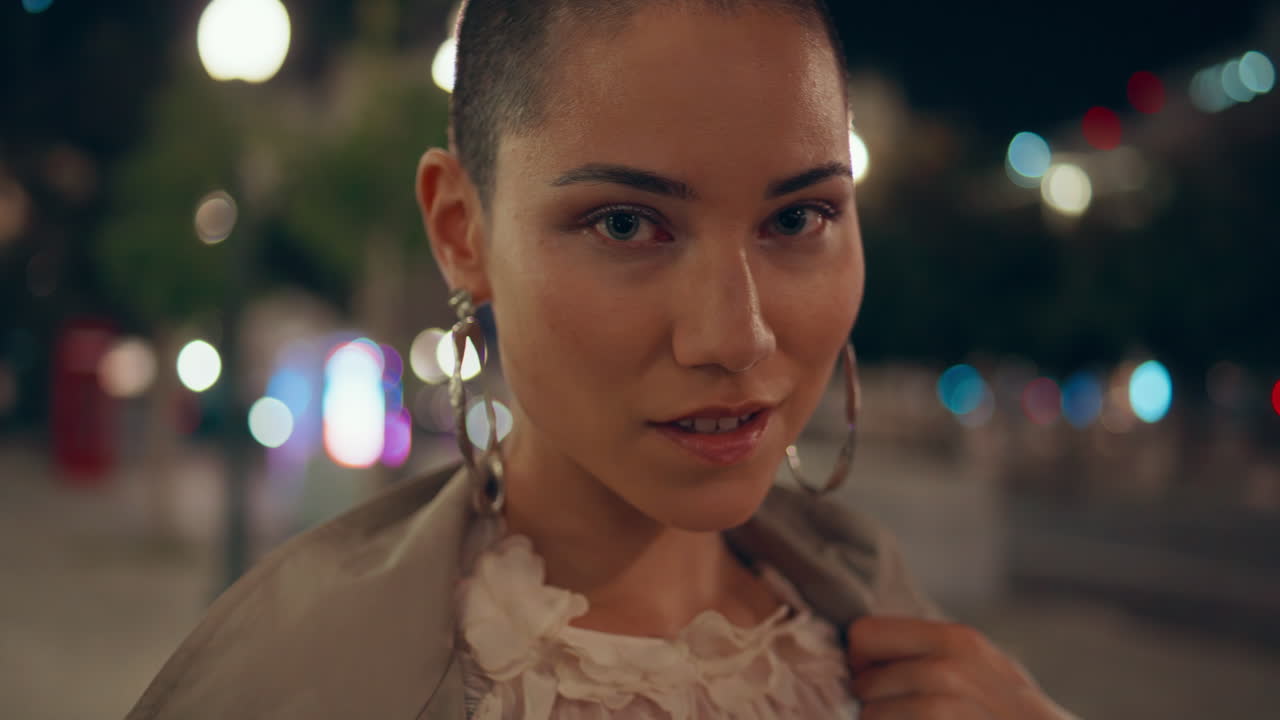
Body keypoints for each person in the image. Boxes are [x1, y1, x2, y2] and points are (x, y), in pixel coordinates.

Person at [126, 1, 1079, 718]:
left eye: (799, 217)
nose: (734, 335)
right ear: (462, 232)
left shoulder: (907, 648)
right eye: (626, 224)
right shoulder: (300, 679)